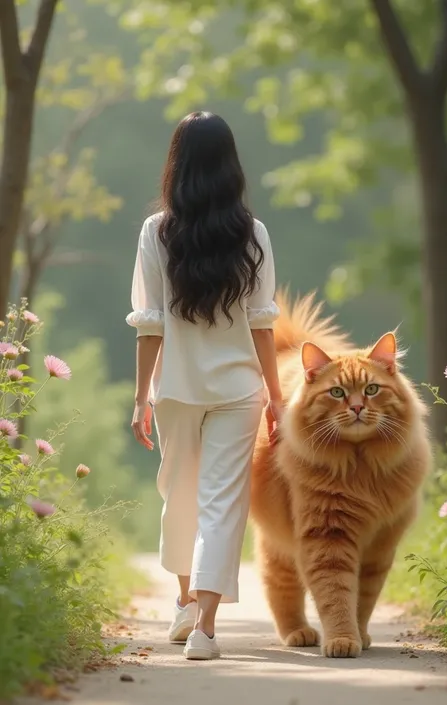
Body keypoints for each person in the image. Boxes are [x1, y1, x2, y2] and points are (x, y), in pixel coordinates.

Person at [126, 111, 282, 661]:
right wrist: (277, 400)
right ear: (230, 165)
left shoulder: (157, 231)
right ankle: (204, 630)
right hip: (240, 390)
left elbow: (149, 325)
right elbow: (263, 324)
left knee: (180, 495)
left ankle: (186, 602)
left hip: (177, 388)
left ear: (178, 164)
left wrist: (141, 395)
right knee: (221, 504)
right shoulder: (253, 234)